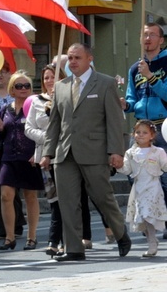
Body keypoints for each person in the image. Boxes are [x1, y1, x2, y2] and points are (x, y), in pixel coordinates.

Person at [40, 43, 131, 262]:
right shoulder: (61, 86)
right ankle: (74, 249)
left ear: (89, 58)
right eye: (70, 58)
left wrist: (116, 151)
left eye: (77, 58)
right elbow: (54, 123)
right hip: (65, 153)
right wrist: (47, 152)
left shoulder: (106, 83)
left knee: (103, 197)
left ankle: (121, 234)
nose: (72, 62)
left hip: (95, 151)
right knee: (68, 202)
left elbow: (115, 121)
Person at [122, 23, 167, 227]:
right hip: (142, 128)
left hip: (164, 126)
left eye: (152, 35)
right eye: (144, 35)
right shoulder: (135, 68)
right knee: (135, 175)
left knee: (165, 177)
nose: (147, 38)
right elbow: (132, 99)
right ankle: (149, 217)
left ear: (161, 40)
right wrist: (125, 104)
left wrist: (151, 76)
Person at [0, 71, 43, 251]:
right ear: (12, 90)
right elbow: (0, 135)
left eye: (27, 86)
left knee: (30, 196)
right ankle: (9, 238)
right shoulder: (5, 109)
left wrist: (39, 153)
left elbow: (43, 132)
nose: (23, 89)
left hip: (29, 157)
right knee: (5, 195)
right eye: (19, 86)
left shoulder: (36, 108)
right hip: (9, 157)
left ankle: (32, 237)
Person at [25, 64, 63, 256]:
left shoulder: (67, 98)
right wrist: (47, 138)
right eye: (46, 77)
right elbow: (28, 128)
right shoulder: (37, 102)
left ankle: (56, 240)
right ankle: (57, 239)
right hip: (46, 155)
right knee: (54, 198)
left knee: (65, 197)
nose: (49, 81)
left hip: (65, 154)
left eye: (53, 77)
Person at [0, 62, 25, 241]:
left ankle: (17, 222)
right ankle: (4, 227)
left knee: (12, 185)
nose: (0, 75)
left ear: (10, 74)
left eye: (4, 72)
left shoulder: (15, 93)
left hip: (12, 143)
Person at [117, 120, 167, 257]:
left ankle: (152, 244)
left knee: (148, 215)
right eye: (138, 132)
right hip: (138, 189)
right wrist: (118, 165)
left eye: (145, 132)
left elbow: (165, 166)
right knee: (143, 218)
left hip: (153, 188)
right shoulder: (131, 153)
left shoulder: (158, 152)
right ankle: (152, 240)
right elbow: (127, 169)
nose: (140, 135)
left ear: (152, 135)